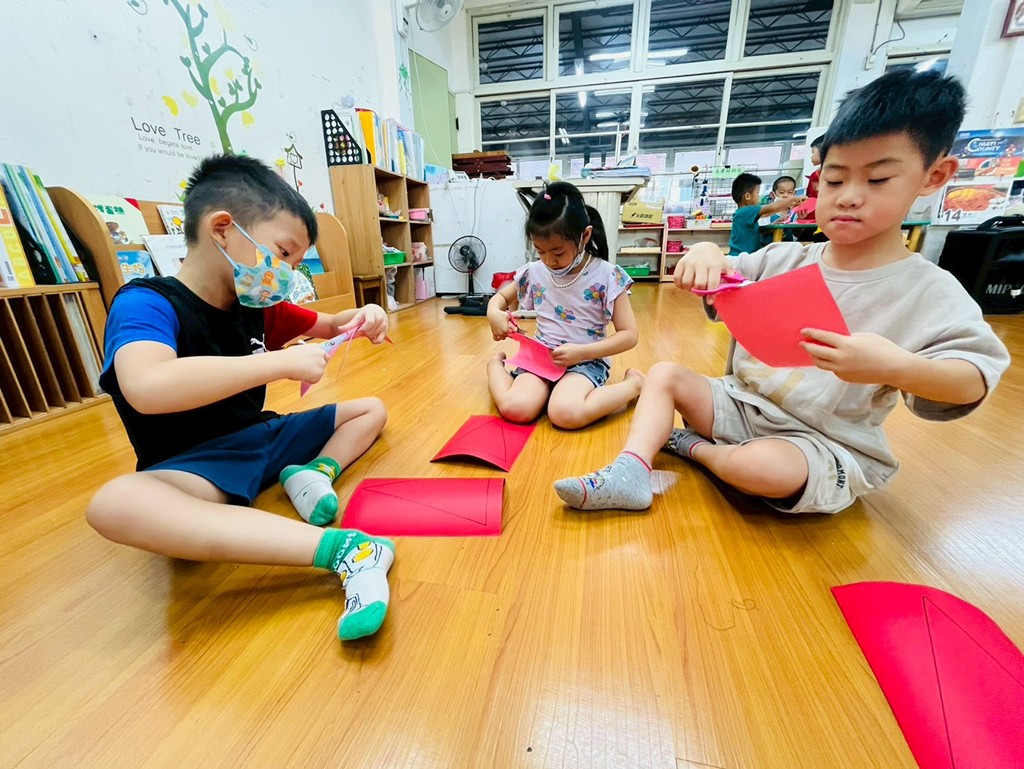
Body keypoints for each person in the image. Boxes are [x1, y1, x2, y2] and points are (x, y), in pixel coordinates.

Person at [553, 69, 1010, 515]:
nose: (848, 196)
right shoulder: (784, 258)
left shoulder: (929, 289)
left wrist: (897, 366)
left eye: (877, 180)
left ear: (934, 175)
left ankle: (692, 448)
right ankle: (631, 469)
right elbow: (725, 272)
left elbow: (972, 377)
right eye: (834, 180)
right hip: (739, 405)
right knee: (665, 374)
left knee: (761, 468)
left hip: (818, 442)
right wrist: (706, 252)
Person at [86, 155, 396, 642]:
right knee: (115, 504)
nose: (287, 273)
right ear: (222, 229)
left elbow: (333, 323)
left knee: (369, 409)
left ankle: (313, 474)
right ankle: (349, 551)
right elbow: (146, 386)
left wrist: (368, 313)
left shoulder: (256, 304)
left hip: (261, 437)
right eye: (283, 253)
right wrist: (279, 363)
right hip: (195, 466)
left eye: (296, 263)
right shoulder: (146, 302)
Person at [486, 181, 643, 429]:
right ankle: (495, 364)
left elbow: (629, 335)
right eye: (540, 251)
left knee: (565, 413)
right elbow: (501, 298)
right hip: (542, 356)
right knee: (516, 408)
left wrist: (582, 353)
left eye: (558, 252)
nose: (549, 261)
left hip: (587, 360)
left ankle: (633, 384)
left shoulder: (607, 275)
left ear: (585, 236)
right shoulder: (534, 271)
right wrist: (493, 312)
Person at [729, 173, 804, 256]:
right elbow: (771, 208)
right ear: (747, 196)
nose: (758, 196)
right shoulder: (746, 211)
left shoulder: (744, 213)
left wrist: (772, 225)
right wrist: (794, 199)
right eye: (757, 193)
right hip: (742, 256)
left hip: (747, 255)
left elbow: (755, 231)